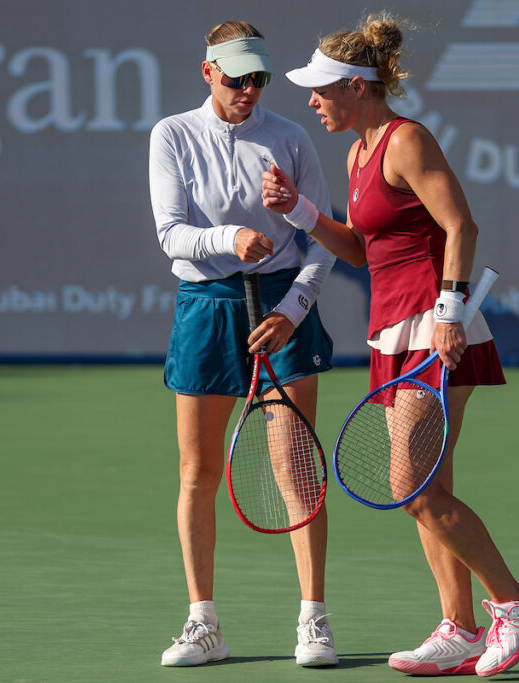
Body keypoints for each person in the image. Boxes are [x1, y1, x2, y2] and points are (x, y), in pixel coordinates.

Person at [261, 12, 519, 678]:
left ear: (359, 87)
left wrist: (449, 312)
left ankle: (518, 602)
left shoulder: (405, 141)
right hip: (391, 333)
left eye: (321, 90)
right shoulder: (358, 152)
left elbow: (461, 224)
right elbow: (366, 253)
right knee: (430, 488)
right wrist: (301, 214)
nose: (311, 101)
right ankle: (459, 625)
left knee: (413, 487)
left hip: (434, 325)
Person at [148, 21, 338, 668]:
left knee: (295, 470)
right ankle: (204, 624)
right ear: (208, 73)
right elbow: (172, 232)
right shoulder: (172, 135)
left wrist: (292, 309)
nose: (249, 90)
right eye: (237, 79)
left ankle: (314, 621)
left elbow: (322, 245)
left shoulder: (290, 137)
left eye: (258, 78)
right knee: (197, 472)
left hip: (284, 308)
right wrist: (228, 237)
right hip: (207, 306)